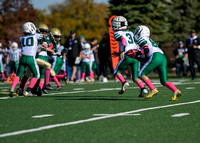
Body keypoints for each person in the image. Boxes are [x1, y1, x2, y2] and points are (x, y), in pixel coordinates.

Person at [129, 25, 181, 101]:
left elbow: (146, 50)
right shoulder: (149, 40)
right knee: (164, 81)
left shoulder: (142, 38)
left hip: (155, 56)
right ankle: (176, 91)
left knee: (141, 74)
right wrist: (136, 57)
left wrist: (137, 53)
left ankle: (153, 89)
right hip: (162, 57)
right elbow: (146, 59)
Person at [111, 16, 147, 97]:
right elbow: (133, 43)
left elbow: (123, 40)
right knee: (135, 77)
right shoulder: (130, 32)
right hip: (135, 55)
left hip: (127, 54)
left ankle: (124, 82)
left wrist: (123, 51)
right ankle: (143, 89)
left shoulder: (117, 33)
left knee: (116, 72)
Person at [9, 22, 42, 97]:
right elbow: (41, 39)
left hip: (23, 57)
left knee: (18, 75)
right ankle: (28, 91)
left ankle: (12, 87)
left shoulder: (21, 38)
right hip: (30, 58)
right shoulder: (36, 36)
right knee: (37, 75)